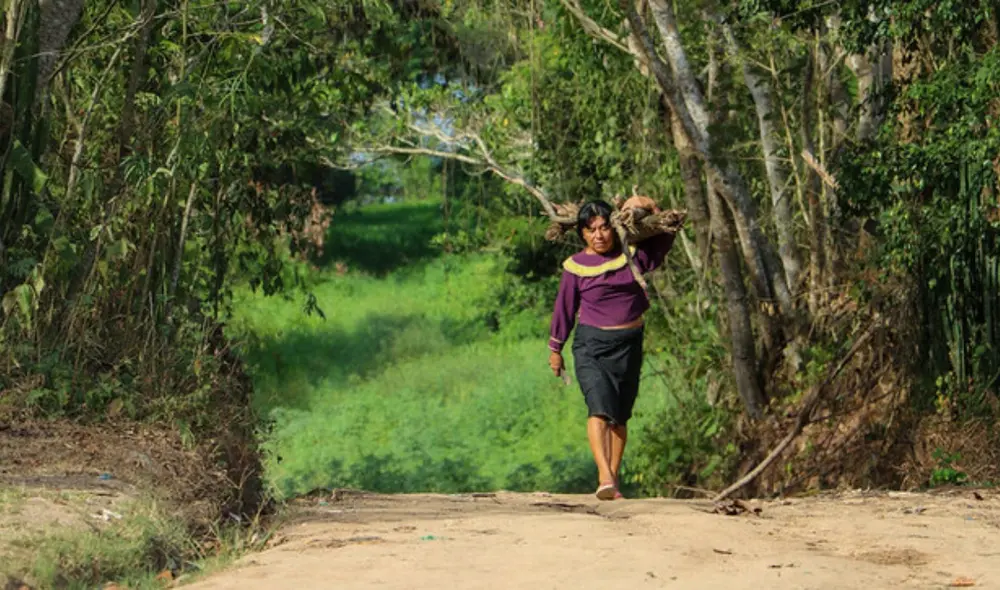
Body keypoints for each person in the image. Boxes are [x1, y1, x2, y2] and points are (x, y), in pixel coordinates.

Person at [547, 196, 675, 500]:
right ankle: (603, 474)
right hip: (592, 346)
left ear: (614, 228)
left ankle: (612, 480)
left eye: (604, 228)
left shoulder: (631, 257)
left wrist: (654, 209)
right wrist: (556, 349)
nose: (599, 235)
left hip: (629, 345)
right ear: (582, 234)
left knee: (620, 416)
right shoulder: (576, 267)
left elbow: (666, 237)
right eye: (591, 230)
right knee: (599, 409)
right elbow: (564, 309)